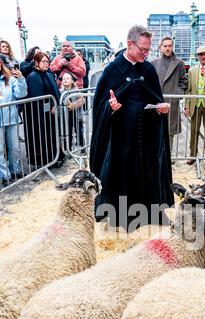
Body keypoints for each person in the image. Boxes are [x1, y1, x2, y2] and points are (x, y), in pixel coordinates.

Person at [90, 25, 174, 232]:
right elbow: (99, 105)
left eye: (148, 50)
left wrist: (161, 109)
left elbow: (155, 99)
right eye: (142, 49)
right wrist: (111, 108)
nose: (146, 54)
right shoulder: (112, 70)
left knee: (148, 172)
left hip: (146, 137)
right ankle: (123, 216)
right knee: (123, 175)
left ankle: (152, 213)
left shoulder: (148, 69)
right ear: (130, 44)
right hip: (121, 139)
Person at [24, 52, 62, 169]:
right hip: (39, 114)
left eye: (47, 62)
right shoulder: (33, 76)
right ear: (36, 63)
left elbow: (55, 91)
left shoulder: (49, 75)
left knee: (53, 134)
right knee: (42, 136)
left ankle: (54, 157)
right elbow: (37, 96)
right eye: (43, 61)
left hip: (52, 112)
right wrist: (51, 105)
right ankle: (45, 160)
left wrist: (56, 105)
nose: (46, 64)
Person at [152, 36, 188, 152]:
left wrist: (176, 95)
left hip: (171, 103)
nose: (168, 48)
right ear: (160, 48)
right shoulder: (153, 63)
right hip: (157, 103)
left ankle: (168, 157)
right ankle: (157, 157)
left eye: (170, 46)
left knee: (169, 133)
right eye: (165, 46)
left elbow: (184, 82)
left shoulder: (179, 63)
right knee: (156, 131)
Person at [0, 57, 27, 185]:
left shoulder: (10, 79)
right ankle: (5, 175)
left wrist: (21, 79)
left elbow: (21, 94)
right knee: (0, 150)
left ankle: (15, 170)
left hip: (11, 119)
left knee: (15, 148)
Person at [60, 71, 85, 151]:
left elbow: (82, 100)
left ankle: (83, 148)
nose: (65, 80)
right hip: (67, 116)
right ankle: (69, 150)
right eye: (63, 79)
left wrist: (73, 105)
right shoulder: (61, 91)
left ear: (72, 81)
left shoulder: (76, 90)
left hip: (77, 116)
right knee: (68, 133)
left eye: (67, 78)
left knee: (79, 133)